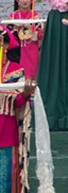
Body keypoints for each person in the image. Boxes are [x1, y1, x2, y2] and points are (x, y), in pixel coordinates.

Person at [0, 25, 35, 193]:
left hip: (6, 130)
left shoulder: (15, 69)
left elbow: (18, 102)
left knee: (6, 177)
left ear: (7, 45)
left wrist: (26, 93)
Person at [9, 0, 42, 80]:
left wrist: (30, 28)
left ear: (31, 1)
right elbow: (9, 33)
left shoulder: (35, 16)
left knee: (33, 70)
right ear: (18, 0)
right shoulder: (13, 16)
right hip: (18, 47)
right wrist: (16, 28)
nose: (25, 1)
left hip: (31, 46)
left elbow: (40, 33)